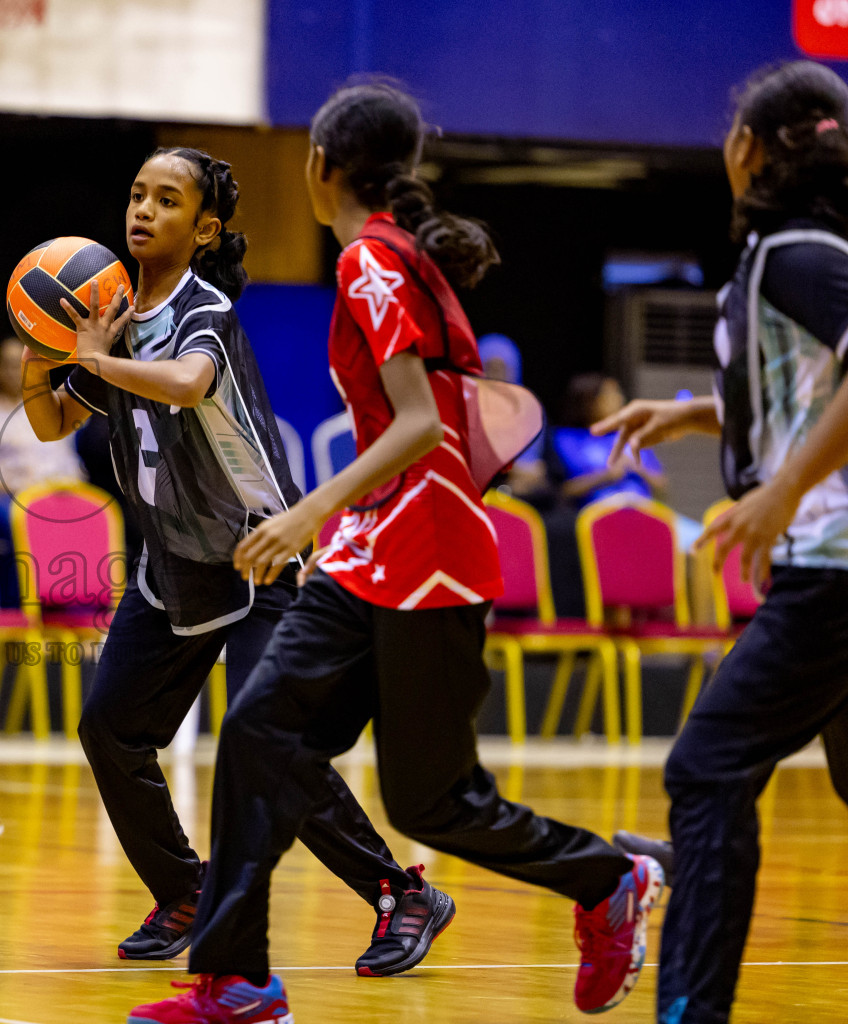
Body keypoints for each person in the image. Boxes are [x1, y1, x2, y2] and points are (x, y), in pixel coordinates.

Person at [129, 83, 662, 1024]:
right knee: (259, 733)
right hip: (374, 548)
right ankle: (237, 978)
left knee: (434, 801)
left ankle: (607, 879)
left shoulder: (375, 262)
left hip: (426, 558)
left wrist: (306, 515)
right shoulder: (395, 259)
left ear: (318, 167)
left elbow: (421, 422)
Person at [24, 147, 450, 973]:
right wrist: (43, 347)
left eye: (168, 200)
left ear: (205, 227)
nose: (143, 210)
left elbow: (184, 384)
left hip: (261, 554)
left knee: (272, 743)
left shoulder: (202, 308)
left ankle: (402, 893)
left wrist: (91, 355)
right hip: (174, 565)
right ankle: (184, 888)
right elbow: (48, 426)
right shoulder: (108, 319)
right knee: (110, 728)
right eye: (137, 193)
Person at [592, 60, 848, 1024]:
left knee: (706, 767)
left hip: (831, 570)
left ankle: (692, 1011)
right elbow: (805, 396)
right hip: (825, 568)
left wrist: (781, 491)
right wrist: (699, 415)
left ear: (747, 150)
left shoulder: (799, 254)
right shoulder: (791, 253)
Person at [0, 336, 85, 606]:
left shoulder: (48, 404)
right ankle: (19, 609)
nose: (14, 372)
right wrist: (24, 485)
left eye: (19, 365)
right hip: (2, 499)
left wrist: (64, 485)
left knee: (90, 518)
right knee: (19, 520)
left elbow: (69, 463)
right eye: (6, 365)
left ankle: (77, 613)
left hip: (51, 498)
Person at [554, 373, 669, 507]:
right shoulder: (566, 439)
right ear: (589, 400)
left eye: (618, 393)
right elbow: (561, 491)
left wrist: (635, 468)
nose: (620, 399)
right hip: (596, 514)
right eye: (610, 394)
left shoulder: (633, 436)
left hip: (643, 510)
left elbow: (662, 485)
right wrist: (606, 476)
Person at [477, 333, 550, 502]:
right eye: (489, 367)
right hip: (484, 490)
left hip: (526, 493)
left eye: (502, 368)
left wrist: (535, 473)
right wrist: (512, 470)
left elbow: (544, 466)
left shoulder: (530, 409)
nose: (496, 374)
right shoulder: (466, 407)